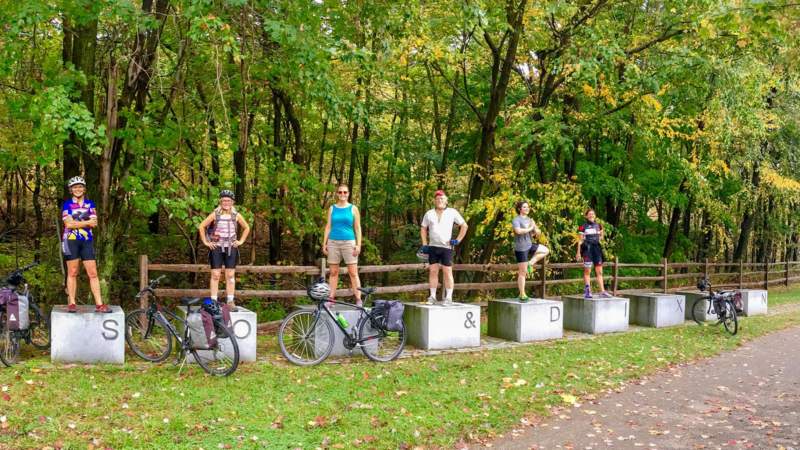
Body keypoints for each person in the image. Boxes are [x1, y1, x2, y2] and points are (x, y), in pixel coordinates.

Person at [61, 176, 111, 313]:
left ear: (84, 189)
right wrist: (86, 222)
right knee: (72, 272)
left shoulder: (90, 204)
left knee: (93, 273)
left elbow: (94, 223)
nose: (78, 189)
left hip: (87, 241)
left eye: (80, 186)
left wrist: (78, 224)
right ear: (71, 190)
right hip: (70, 240)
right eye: (75, 187)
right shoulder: (67, 204)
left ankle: (100, 304)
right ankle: (72, 303)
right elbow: (68, 224)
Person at [199, 190, 251, 310]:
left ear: (232, 202)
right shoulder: (215, 214)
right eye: (224, 200)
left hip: (231, 247)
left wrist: (241, 241)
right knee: (216, 274)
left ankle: (230, 301)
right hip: (216, 247)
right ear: (220, 201)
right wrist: (206, 242)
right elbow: (201, 226)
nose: (226, 203)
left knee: (230, 274)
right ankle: (213, 301)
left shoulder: (236, 215)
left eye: (228, 200)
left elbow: (247, 227)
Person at [420, 190, 468, 305]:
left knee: (447, 271)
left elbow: (464, 226)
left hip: (446, 247)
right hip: (432, 247)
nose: (439, 201)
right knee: (433, 271)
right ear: (434, 201)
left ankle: (449, 297)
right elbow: (423, 228)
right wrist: (424, 243)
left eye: (442, 199)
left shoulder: (452, 212)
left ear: (446, 201)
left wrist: (458, 240)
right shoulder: (429, 213)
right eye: (437, 199)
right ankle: (432, 297)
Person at [321, 184, 363, 306]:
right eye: (340, 192)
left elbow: (358, 228)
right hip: (333, 242)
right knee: (333, 272)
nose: (342, 194)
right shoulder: (332, 208)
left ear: (348, 193)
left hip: (349, 242)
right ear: (337, 194)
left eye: (345, 192)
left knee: (353, 272)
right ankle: (331, 298)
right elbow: (328, 226)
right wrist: (324, 243)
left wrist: (358, 245)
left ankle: (358, 299)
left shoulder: (353, 208)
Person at [512, 200, 550, 301]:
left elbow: (537, 232)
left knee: (545, 250)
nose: (527, 208)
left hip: (529, 244)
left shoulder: (530, 220)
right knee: (522, 272)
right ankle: (522, 293)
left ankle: (530, 263)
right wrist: (530, 228)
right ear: (520, 209)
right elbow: (518, 231)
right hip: (520, 247)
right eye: (524, 207)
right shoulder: (516, 219)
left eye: (528, 207)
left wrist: (536, 229)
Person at [576, 208, 611, 298]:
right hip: (587, 250)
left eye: (593, 214)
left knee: (599, 271)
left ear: (595, 216)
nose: (591, 215)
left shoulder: (599, 225)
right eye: (589, 214)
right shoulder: (582, 226)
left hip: (597, 249)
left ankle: (602, 291)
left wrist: (600, 236)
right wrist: (578, 253)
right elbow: (580, 240)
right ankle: (587, 291)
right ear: (586, 216)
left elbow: (602, 235)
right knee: (588, 270)